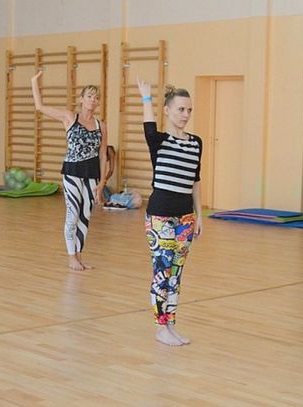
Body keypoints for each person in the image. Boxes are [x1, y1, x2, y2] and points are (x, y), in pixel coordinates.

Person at [136, 77, 203, 346]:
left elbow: (195, 181)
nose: (185, 114)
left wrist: (199, 215)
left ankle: (171, 325)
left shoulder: (196, 143)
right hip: (160, 216)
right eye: (180, 109)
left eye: (189, 110)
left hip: (185, 217)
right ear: (167, 110)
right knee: (161, 272)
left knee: (176, 274)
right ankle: (160, 327)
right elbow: (149, 126)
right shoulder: (159, 141)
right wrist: (146, 99)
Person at [31, 70, 108, 271]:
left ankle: (79, 256)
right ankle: (71, 257)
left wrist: (102, 183)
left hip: (91, 174)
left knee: (85, 215)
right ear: (81, 99)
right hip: (72, 171)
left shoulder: (101, 125)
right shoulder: (69, 117)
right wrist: (34, 82)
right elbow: (40, 107)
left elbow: (103, 155)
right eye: (89, 96)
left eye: (96, 97)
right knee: (72, 214)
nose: (93, 100)